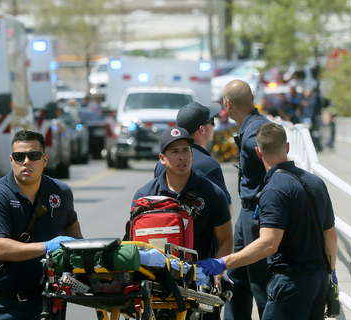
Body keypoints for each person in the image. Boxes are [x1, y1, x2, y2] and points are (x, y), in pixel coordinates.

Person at [197, 122, 338, 320]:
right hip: (319, 282)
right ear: (287, 147)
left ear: (258, 152)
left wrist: (223, 262)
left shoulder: (273, 189)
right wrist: (330, 274)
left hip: (291, 284)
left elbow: (269, 243)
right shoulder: (315, 182)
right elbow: (330, 235)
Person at [0, 130, 83, 320]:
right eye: (19, 156)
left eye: (34, 156)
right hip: (3, 302)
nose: (26, 161)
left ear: (45, 159)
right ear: (11, 159)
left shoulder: (61, 192)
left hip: (48, 299)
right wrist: (47, 246)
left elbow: (74, 234)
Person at [134, 126, 233, 268]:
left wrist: (217, 273)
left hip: (199, 279)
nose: (182, 157)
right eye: (175, 152)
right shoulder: (144, 196)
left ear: (192, 155)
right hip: (155, 278)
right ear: (162, 158)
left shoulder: (212, 193)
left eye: (185, 150)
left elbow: (226, 240)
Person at [222, 79, 271, 320]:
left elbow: (272, 158)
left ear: (228, 104)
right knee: (236, 279)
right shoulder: (253, 125)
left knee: (261, 284)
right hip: (247, 215)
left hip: (258, 217)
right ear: (252, 99)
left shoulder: (255, 131)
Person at [154, 101, 233, 215]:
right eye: (212, 122)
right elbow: (225, 210)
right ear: (202, 129)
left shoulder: (162, 163)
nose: (214, 126)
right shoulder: (209, 164)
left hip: (170, 229)